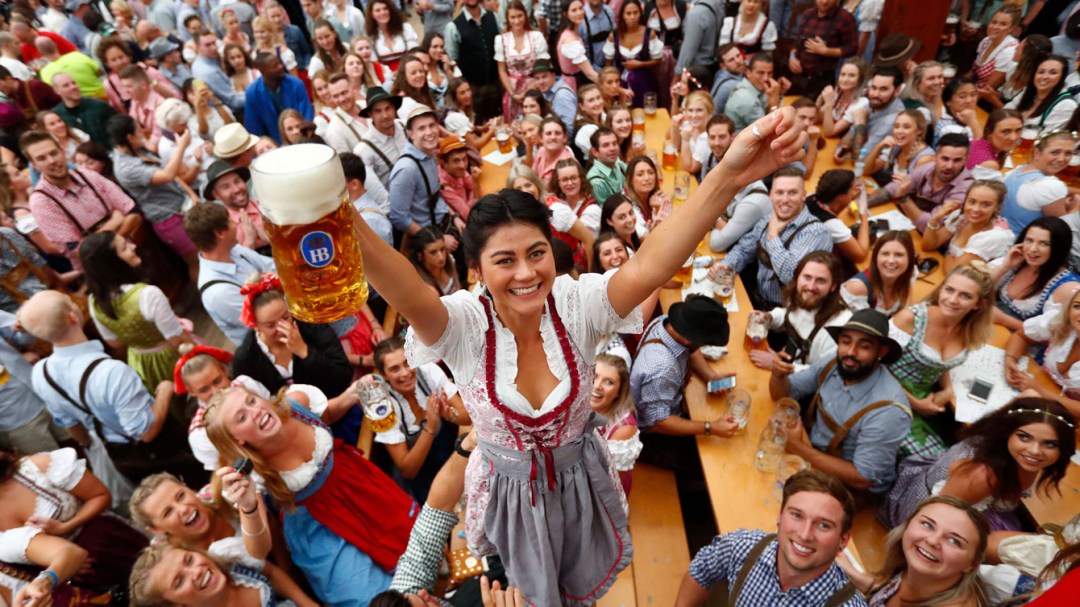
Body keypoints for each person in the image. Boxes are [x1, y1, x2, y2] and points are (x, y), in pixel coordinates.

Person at [351, 105, 810, 604]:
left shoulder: (576, 302)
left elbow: (653, 264)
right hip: (509, 496)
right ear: (478, 271)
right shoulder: (463, 323)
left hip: (579, 483)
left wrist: (727, 174)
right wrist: (339, 216)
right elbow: (402, 288)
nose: (526, 273)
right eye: (504, 261)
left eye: (536, 253)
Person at [203, 382, 417, 607]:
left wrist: (350, 394)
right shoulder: (253, 471)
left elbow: (328, 414)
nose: (256, 412)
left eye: (252, 401)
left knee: (420, 553)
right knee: (369, 598)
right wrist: (248, 507)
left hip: (359, 487)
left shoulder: (295, 403)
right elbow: (259, 550)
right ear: (238, 440)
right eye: (242, 417)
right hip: (321, 530)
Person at [18, 290, 205, 485]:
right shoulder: (111, 372)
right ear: (72, 316)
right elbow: (147, 432)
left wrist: (92, 441)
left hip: (120, 455)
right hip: (162, 451)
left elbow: (73, 427)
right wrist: (165, 391)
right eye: (70, 302)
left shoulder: (41, 373)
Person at [769, 309, 910, 495]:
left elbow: (863, 478)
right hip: (811, 454)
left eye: (864, 346)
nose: (850, 352)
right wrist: (778, 375)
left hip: (849, 489)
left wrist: (798, 448)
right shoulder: (834, 362)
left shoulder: (890, 411)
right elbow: (783, 394)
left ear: (881, 352)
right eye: (845, 341)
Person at [675, 469, 865, 607]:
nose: (805, 534)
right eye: (797, 515)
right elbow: (702, 569)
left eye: (823, 525)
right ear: (779, 517)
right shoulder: (743, 548)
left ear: (843, 540)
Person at [882, 397, 1076, 532]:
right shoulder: (982, 475)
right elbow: (928, 519)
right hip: (922, 514)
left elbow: (1029, 396)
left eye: (1050, 444)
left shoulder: (1018, 457)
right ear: (1008, 432)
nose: (1034, 451)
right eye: (1024, 437)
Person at [0, 445, 149, 599]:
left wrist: (66, 527)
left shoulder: (38, 467)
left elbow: (101, 495)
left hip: (113, 545)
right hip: (85, 582)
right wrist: (61, 566)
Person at [887, 263, 995, 459]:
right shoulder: (910, 319)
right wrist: (916, 404)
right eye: (949, 290)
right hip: (884, 396)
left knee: (962, 453)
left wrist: (947, 390)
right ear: (941, 288)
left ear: (979, 304)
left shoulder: (969, 330)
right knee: (935, 461)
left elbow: (941, 364)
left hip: (923, 403)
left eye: (965, 296)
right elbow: (874, 367)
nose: (953, 300)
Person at [79, 231, 192, 396]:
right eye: (124, 248)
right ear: (113, 264)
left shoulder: (94, 302)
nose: (133, 246)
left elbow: (115, 342)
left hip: (140, 361)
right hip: (172, 358)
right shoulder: (148, 294)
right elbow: (177, 340)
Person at [22, 131, 142, 270]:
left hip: (136, 252)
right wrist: (115, 223)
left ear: (62, 151)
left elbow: (134, 213)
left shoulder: (88, 175)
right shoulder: (41, 202)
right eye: (42, 158)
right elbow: (77, 251)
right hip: (103, 272)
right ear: (34, 164)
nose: (52, 161)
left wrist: (96, 242)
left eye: (54, 153)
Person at [718, 166, 833, 309]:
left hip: (787, 315)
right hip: (756, 300)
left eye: (792, 193)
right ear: (771, 195)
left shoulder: (816, 233)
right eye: (779, 193)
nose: (785, 200)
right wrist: (727, 265)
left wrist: (773, 236)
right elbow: (744, 249)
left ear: (803, 195)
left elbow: (791, 275)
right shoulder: (768, 219)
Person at [841, 496, 990, 606]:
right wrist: (852, 573)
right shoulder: (911, 570)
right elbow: (884, 593)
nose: (932, 541)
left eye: (954, 541)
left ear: (972, 563)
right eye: (928, 524)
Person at [370, 336, 465, 503]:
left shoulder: (427, 371)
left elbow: (466, 417)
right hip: (423, 477)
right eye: (394, 369)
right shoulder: (381, 407)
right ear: (384, 375)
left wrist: (448, 414)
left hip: (448, 451)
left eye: (407, 363)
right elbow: (408, 470)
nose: (405, 373)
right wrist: (430, 427)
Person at [107, 114, 199, 276]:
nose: (143, 131)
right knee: (196, 262)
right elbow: (167, 175)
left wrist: (192, 195)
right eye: (139, 129)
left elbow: (168, 170)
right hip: (169, 218)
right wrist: (181, 147)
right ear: (130, 137)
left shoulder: (137, 149)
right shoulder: (125, 167)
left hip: (184, 205)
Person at [184, 202, 276, 346]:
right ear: (220, 233)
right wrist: (271, 282)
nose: (236, 225)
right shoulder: (218, 292)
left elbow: (274, 267)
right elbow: (268, 319)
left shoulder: (235, 250)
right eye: (231, 221)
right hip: (268, 345)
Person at [753, 251, 854, 373]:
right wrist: (769, 317)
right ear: (798, 277)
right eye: (807, 277)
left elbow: (825, 373)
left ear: (833, 286)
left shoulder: (840, 326)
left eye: (821, 280)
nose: (811, 287)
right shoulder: (801, 295)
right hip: (783, 362)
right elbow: (789, 315)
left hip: (801, 384)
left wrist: (780, 365)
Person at [867, 133, 973, 233]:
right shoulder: (929, 168)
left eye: (957, 160)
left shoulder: (966, 188)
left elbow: (929, 226)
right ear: (935, 156)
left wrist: (904, 198)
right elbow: (892, 189)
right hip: (909, 227)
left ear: (966, 160)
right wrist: (861, 204)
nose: (949, 166)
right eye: (945, 159)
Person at [992, 216, 1079, 331]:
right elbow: (978, 291)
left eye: (1044, 244)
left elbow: (1051, 336)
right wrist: (1004, 267)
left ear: (1059, 248)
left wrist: (1003, 319)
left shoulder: (1067, 288)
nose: (1033, 249)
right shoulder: (1017, 263)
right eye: (1029, 240)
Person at [1005, 287, 1080, 419]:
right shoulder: (1061, 321)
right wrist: (1010, 360)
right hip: (1035, 389)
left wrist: (1038, 390)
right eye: (1077, 306)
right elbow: (1021, 335)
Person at [389, 103, 453, 239]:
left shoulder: (429, 153)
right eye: (422, 128)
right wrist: (437, 241)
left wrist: (455, 216)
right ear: (411, 134)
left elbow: (435, 195)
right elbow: (399, 218)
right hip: (428, 238)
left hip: (443, 223)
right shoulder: (406, 169)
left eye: (432, 125)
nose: (429, 132)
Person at [923, 179, 1015, 271]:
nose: (975, 209)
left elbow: (953, 272)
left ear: (997, 207)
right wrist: (935, 219)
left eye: (985, 204)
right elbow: (929, 246)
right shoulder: (962, 218)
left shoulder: (995, 236)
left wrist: (948, 256)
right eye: (972, 202)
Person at [1000, 130, 1075, 235]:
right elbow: (1060, 232)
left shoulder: (1017, 170)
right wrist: (1074, 209)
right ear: (1037, 153)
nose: (1061, 159)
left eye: (1068, 153)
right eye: (1055, 152)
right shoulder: (1052, 186)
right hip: (1022, 247)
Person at [786, 0, 856, 96]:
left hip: (822, 79)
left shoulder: (844, 17)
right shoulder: (808, 14)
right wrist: (792, 56)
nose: (824, 2)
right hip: (799, 77)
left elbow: (852, 48)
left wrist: (826, 51)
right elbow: (797, 42)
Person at [805, 169, 869, 272]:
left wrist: (848, 198)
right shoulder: (831, 225)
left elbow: (831, 210)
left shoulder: (811, 197)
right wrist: (864, 217)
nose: (856, 190)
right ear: (840, 196)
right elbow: (860, 255)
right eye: (853, 188)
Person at [496, 0, 549, 120]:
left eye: (520, 16)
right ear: (507, 19)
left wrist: (527, 91)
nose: (517, 21)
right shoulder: (501, 40)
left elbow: (543, 66)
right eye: (512, 17)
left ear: (525, 15)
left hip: (535, 86)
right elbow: (502, 70)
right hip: (512, 89)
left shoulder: (536, 36)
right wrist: (512, 93)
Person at [98, 36, 179, 115]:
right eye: (113, 60)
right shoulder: (110, 84)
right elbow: (122, 112)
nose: (119, 62)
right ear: (107, 64)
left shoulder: (146, 70)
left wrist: (153, 83)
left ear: (129, 57)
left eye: (121, 57)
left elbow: (174, 95)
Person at [243, 53, 313, 144]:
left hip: (301, 138)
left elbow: (306, 117)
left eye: (280, 63)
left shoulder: (296, 84)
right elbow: (254, 129)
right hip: (273, 145)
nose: (281, 67)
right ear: (263, 71)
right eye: (275, 66)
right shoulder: (253, 93)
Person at [603, 0, 662, 108]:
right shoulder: (615, 35)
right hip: (620, 83)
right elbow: (608, 63)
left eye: (635, 13)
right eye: (628, 13)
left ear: (640, 13)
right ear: (623, 15)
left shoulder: (649, 34)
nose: (632, 17)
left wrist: (640, 64)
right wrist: (613, 85)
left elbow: (658, 60)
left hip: (645, 82)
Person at [1006, 54, 1076, 134]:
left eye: (1053, 73)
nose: (1045, 76)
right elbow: (1005, 112)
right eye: (1041, 72)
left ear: (1062, 77)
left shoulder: (1066, 105)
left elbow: (1046, 141)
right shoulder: (1030, 91)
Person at [862, 109, 934, 182]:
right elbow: (866, 171)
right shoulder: (896, 148)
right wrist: (879, 147)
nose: (899, 131)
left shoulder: (924, 159)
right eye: (896, 126)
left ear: (919, 131)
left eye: (906, 127)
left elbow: (915, 191)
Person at [51, 73, 117, 149]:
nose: (73, 87)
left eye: (74, 83)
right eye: (66, 85)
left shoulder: (99, 106)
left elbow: (117, 130)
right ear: (57, 91)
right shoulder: (57, 115)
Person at [191, 30, 247, 114]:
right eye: (208, 45)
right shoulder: (209, 72)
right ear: (198, 47)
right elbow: (235, 102)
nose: (214, 47)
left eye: (214, 43)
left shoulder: (200, 62)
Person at [725, 52, 784, 131]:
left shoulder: (752, 86)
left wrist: (778, 94)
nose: (766, 78)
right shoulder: (746, 99)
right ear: (748, 72)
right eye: (760, 73)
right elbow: (770, 128)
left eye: (769, 73)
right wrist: (775, 96)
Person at [36, 38, 105, 101]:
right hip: (103, 96)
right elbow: (100, 72)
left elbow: (56, 94)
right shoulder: (77, 55)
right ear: (55, 45)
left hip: (80, 104)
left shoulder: (44, 73)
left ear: (40, 53)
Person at [971, 7, 1020, 92]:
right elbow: (973, 72)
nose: (995, 27)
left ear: (1011, 28)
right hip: (973, 88)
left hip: (985, 98)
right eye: (994, 22)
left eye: (1003, 24)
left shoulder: (1009, 51)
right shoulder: (986, 41)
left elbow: (988, 89)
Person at [819, 58, 869, 141]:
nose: (845, 80)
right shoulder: (839, 93)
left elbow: (829, 132)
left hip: (842, 144)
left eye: (851, 75)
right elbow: (817, 119)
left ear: (861, 80)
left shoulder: (861, 103)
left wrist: (828, 104)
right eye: (842, 74)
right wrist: (821, 99)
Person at [555, 0, 600, 89]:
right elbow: (590, 73)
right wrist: (616, 89)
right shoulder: (570, 41)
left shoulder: (572, 32)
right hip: (575, 84)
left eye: (580, 8)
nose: (579, 12)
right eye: (574, 10)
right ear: (566, 14)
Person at [365, 0, 418, 72]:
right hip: (386, 78)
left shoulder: (405, 28)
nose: (382, 13)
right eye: (378, 10)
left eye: (385, 9)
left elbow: (415, 53)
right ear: (372, 14)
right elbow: (374, 63)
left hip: (409, 72)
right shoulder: (370, 37)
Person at [673, 0, 722, 74]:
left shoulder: (697, 12)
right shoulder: (719, 4)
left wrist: (678, 74)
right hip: (712, 64)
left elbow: (688, 49)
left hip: (696, 68)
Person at [673, 90, 715, 174]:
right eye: (690, 110)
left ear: (709, 112)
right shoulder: (690, 125)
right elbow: (675, 146)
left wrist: (685, 140)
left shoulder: (708, 136)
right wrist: (675, 126)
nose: (694, 115)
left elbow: (690, 169)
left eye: (699, 110)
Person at [438, 135, 478, 220]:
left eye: (464, 159)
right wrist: (476, 184)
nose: (463, 165)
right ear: (444, 163)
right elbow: (469, 216)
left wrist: (468, 203)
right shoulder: (443, 186)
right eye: (456, 161)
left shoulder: (458, 170)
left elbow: (472, 189)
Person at [532, 59, 578, 132]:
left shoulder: (562, 95)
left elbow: (569, 129)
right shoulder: (548, 91)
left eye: (544, 77)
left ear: (553, 76)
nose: (541, 82)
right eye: (537, 78)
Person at [586, 128, 627, 203]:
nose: (612, 148)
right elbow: (607, 212)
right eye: (606, 145)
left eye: (614, 144)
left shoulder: (619, 164)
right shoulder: (596, 182)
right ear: (595, 152)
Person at [533, 115, 576, 182]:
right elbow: (533, 179)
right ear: (541, 138)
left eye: (557, 133)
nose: (553, 137)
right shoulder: (541, 151)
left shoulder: (569, 164)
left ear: (565, 137)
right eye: (548, 133)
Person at [710, 44, 747, 113]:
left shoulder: (720, 73)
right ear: (723, 66)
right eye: (731, 60)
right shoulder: (732, 85)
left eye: (738, 56)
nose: (737, 61)